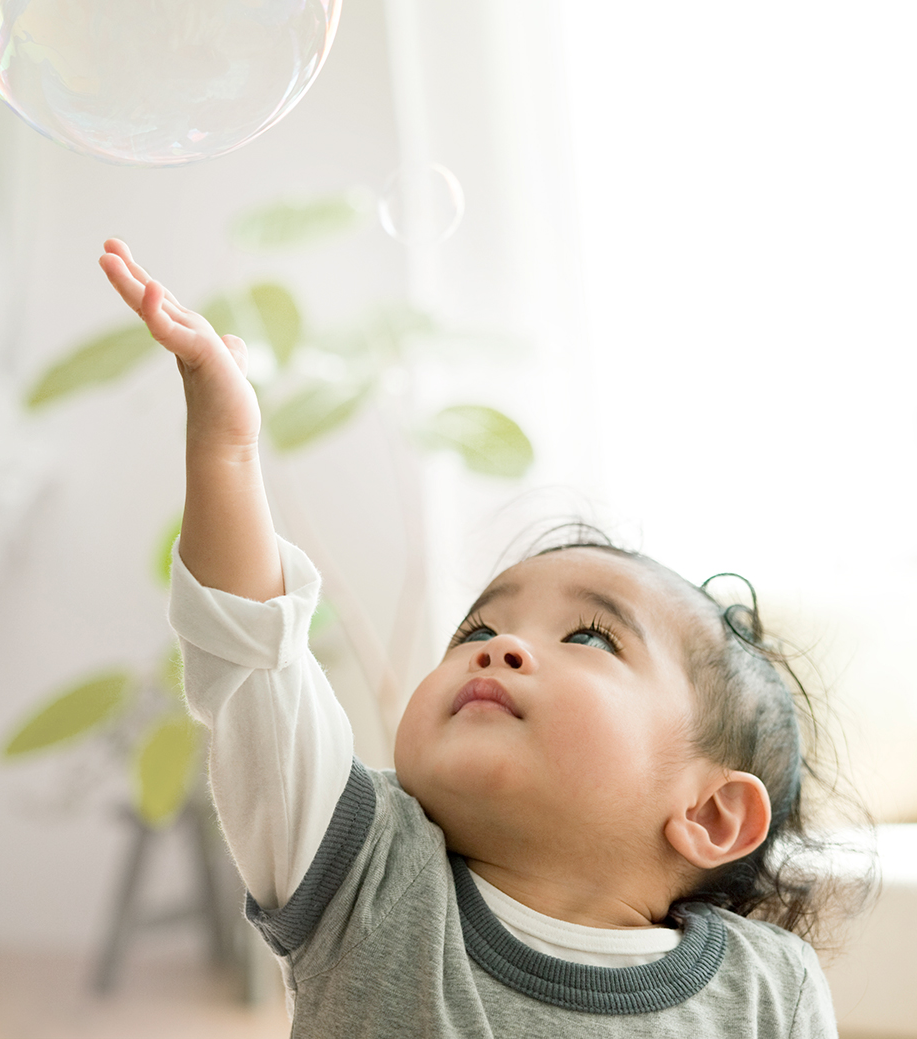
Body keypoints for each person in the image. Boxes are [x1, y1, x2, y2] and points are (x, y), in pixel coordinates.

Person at [100, 238, 848, 1037]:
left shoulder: (770, 989)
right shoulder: (362, 876)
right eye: (479, 628)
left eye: (591, 639)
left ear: (709, 813)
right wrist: (227, 446)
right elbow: (252, 657)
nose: (498, 647)